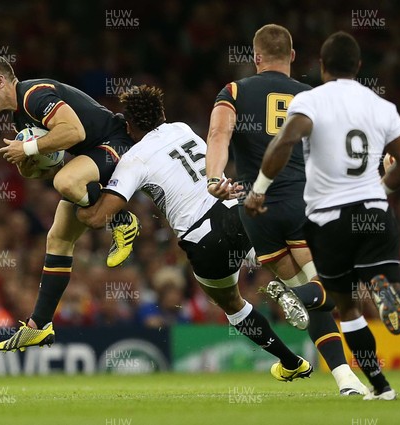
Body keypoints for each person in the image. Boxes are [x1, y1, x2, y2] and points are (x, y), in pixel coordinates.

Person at [77, 85, 312, 382]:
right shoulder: (182, 128)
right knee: (277, 259)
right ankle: (298, 291)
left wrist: (79, 205)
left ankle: (291, 362)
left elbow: (100, 218)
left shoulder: (133, 159)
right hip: (235, 209)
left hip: (203, 239)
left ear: (129, 126)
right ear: (162, 113)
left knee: (232, 305)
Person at [244, 31, 400, 400]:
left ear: (322, 66)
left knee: (347, 307)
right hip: (375, 214)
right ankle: (387, 321)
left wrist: (258, 189)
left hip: (329, 218)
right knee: (379, 285)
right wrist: (381, 191)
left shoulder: (311, 100)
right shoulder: (381, 106)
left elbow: (284, 142)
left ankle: (376, 380)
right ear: (358, 66)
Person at [205, 24, 366, 396]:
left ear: (256, 58)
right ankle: (301, 299)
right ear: (292, 57)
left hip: (255, 210)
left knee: (313, 291)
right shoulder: (312, 97)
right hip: (302, 204)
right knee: (330, 288)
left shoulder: (234, 90)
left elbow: (218, 135)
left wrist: (214, 179)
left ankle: (346, 379)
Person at [0, 56, 139, 351]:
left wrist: (28, 148)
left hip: (115, 143)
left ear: (0, 81)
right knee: (58, 238)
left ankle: (120, 219)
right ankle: (40, 325)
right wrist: (28, 162)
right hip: (93, 154)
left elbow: (75, 132)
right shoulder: (19, 117)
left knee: (65, 182)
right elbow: (46, 164)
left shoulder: (34, 95)